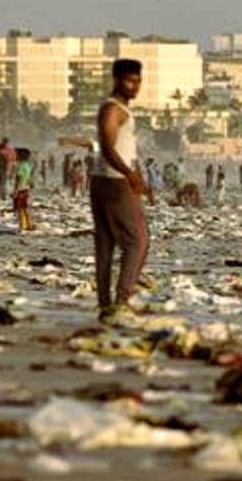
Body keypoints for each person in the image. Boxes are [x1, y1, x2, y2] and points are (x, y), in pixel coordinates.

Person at [90, 58, 148, 322]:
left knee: (106, 244)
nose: (135, 86)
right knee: (137, 242)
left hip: (107, 180)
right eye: (129, 81)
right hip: (114, 181)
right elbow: (107, 148)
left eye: (138, 81)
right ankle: (122, 301)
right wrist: (130, 174)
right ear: (116, 80)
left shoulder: (119, 108)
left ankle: (105, 306)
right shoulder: (113, 109)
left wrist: (137, 174)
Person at [13, 148, 34, 231]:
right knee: (25, 207)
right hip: (26, 188)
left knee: (20, 208)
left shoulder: (21, 166)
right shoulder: (27, 165)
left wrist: (15, 190)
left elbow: (19, 178)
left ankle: (22, 225)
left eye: (17, 155)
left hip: (21, 188)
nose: (15, 156)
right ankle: (29, 225)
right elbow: (29, 178)